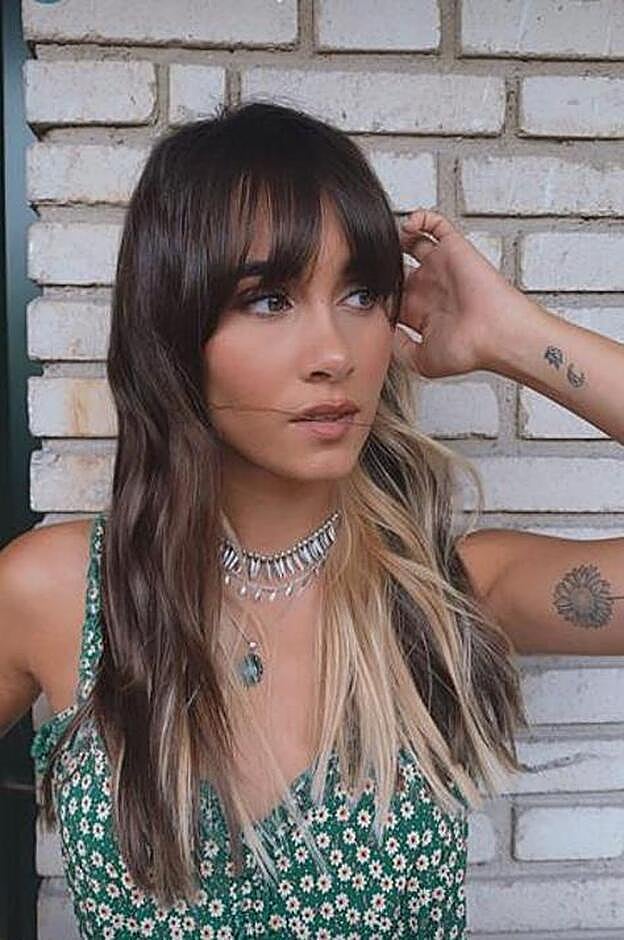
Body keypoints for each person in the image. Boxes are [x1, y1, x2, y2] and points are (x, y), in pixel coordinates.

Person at [1, 100, 623, 938]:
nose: (335, 354)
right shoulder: (56, 593)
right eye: (269, 300)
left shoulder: (447, 596)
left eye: (362, 294)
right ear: (173, 324)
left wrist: (515, 336)